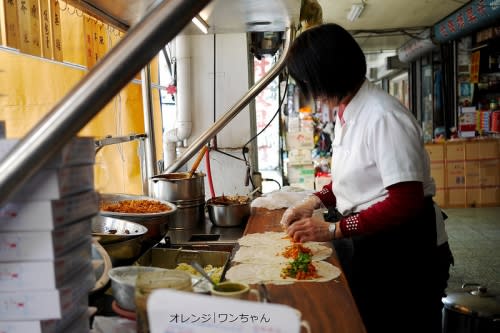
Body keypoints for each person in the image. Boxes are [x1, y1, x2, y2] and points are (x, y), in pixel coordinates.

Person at [280, 23, 453, 333]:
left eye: (310, 82)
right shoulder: (348, 112)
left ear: (331, 73)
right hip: (375, 241)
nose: (311, 92)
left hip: (404, 249)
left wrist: (335, 228)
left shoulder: (383, 116)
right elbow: (355, 180)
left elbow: (405, 201)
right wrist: (312, 202)